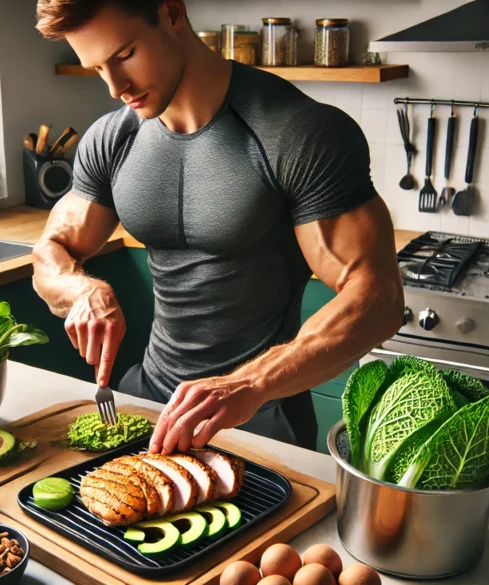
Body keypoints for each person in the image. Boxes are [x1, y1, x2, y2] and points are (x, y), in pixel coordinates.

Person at [31, 0, 403, 454]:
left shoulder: (297, 131)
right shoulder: (112, 138)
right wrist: (81, 290)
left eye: (125, 54)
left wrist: (247, 384)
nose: (115, 86)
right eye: (96, 69)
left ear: (171, 12)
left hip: (259, 414)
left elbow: (377, 298)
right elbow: (51, 250)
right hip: (149, 399)